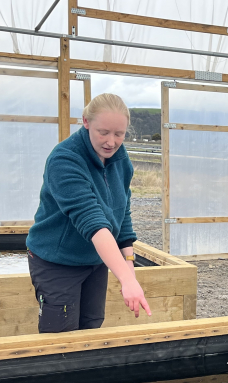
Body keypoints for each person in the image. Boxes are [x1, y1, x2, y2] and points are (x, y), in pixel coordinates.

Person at [27, 93, 151, 333]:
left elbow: (121, 213)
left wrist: (130, 271)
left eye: (119, 134)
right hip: (57, 261)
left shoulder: (119, 158)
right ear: (85, 122)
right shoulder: (64, 160)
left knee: (92, 326)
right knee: (60, 336)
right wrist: (125, 280)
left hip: (95, 260)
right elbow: (93, 222)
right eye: (103, 132)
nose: (111, 142)